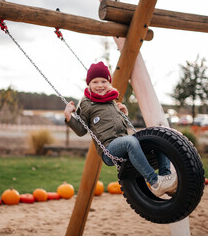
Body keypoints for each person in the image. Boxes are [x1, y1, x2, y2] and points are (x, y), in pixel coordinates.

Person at [64, 62, 177, 197]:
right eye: (95, 82)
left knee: (157, 137)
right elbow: (82, 130)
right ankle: (155, 182)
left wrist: (124, 115)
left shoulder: (111, 100)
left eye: (104, 81)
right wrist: (69, 116)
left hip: (124, 142)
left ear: (109, 82)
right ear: (89, 84)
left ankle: (166, 178)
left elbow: (118, 126)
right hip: (109, 149)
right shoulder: (86, 103)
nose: (100, 85)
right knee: (130, 141)